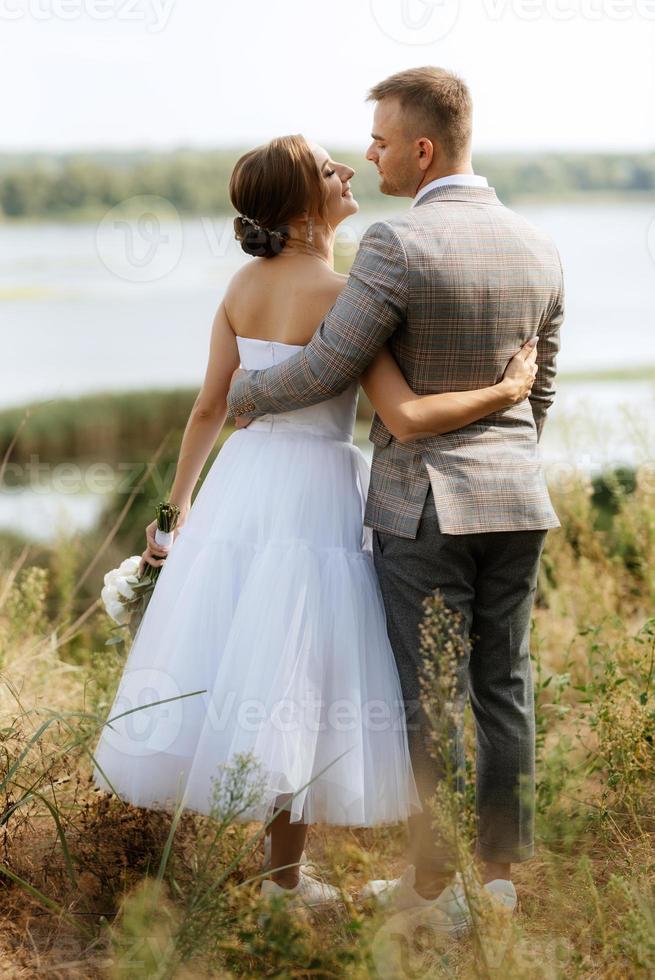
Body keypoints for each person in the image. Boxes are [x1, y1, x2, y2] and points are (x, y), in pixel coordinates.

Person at [92, 129, 539, 916]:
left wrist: (175, 514)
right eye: (330, 170)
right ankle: (284, 883)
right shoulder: (343, 296)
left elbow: (208, 407)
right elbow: (401, 413)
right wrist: (507, 394)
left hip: (242, 486)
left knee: (245, 665)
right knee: (295, 680)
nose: (347, 170)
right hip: (317, 489)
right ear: (303, 206)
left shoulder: (239, 286)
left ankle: (263, 883)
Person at [228, 67, 564, 928]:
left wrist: (249, 396)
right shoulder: (539, 245)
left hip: (424, 508)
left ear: (422, 149)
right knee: (503, 685)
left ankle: (432, 895)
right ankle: (494, 886)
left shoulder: (393, 244)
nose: (368, 154)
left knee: (429, 698)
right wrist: (506, 461)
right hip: (517, 499)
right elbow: (542, 392)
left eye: (379, 140)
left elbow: (331, 364)